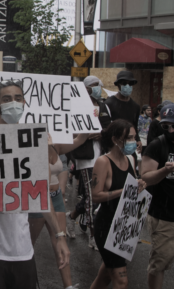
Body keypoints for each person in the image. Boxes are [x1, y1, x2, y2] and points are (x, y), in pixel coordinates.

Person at [0, 79, 70, 288]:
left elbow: (41, 194)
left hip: (23, 248)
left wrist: (60, 236)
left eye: (17, 98)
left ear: (24, 102)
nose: (13, 103)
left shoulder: (32, 141)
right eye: (6, 99)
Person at [90, 119, 146, 289]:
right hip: (106, 226)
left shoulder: (131, 159)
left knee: (106, 275)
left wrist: (140, 186)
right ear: (115, 139)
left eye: (134, 138)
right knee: (121, 280)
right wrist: (124, 191)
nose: (134, 142)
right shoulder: (103, 162)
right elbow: (95, 195)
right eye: (129, 138)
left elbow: (133, 186)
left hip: (123, 226)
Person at [29, 131, 88, 289]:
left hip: (55, 198)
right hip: (38, 200)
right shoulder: (29, 145)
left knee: (60, 242)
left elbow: (80, 139)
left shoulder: (56, 146)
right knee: (28, 244)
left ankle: (68, 286)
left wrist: (89, 118)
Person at [66, 75, 112, 249]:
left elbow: (109, 126)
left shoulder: (103, 106)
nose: (98, 87)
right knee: (92, 197)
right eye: (94, 85)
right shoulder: (76, 106)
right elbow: (71, 130)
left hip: (102, 155)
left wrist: (102, 133)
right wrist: (84, 135)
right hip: (85, 158)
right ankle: (93, 236)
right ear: (85, 88)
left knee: (91, 195)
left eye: (99, 84)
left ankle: (72, 216)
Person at [141, 103, 174, 289]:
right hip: (164, 215)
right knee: (159, 262)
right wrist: (164, 171)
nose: (170, 130)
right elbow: (146, 177)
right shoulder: (157, 145)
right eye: (166, 126)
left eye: (173, 125)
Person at [105, 70, 142, 153]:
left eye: (130, 84)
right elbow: (106, 127)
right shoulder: (109, 104)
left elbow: (134, 125)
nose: (127, 86)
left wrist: (137, 139)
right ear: (118, 85)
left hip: (130, 145)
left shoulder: (135, 106)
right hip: (114, 144)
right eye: (124, 83)